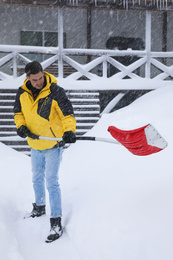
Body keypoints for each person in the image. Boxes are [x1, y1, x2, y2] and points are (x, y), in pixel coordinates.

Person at [13, 61, 76, 243]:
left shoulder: (55, 91)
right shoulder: (22, 92)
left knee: (51, 182)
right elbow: (18, 113)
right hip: (35, 143)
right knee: (36, 178)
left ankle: (56, 221)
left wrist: (69, 131)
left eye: (40, 77)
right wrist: (21, 127)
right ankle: (40, 206)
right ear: (27, 78)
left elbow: (67, 114)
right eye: (35, 79)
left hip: (53, 145)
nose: (39, 82)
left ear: (43, 73)